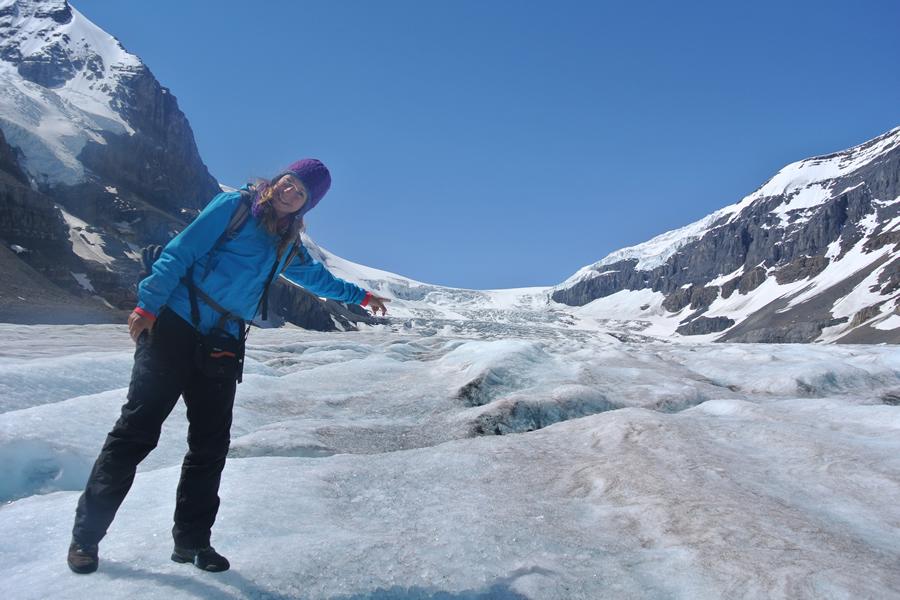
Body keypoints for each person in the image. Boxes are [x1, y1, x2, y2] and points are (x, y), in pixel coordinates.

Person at [67, 159, 389, 574]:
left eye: (301, 194)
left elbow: (317, 280)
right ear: (278, 180)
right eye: (289, 183)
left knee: (209, 446)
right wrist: (147, 305)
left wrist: (361, 297)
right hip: (174, 327)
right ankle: (85, 540)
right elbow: (180, 252)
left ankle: (192, 543)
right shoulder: (234, 208)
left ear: (306, 205)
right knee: (135, 433)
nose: (291, 192)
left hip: (222, 341)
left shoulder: (287, 241)